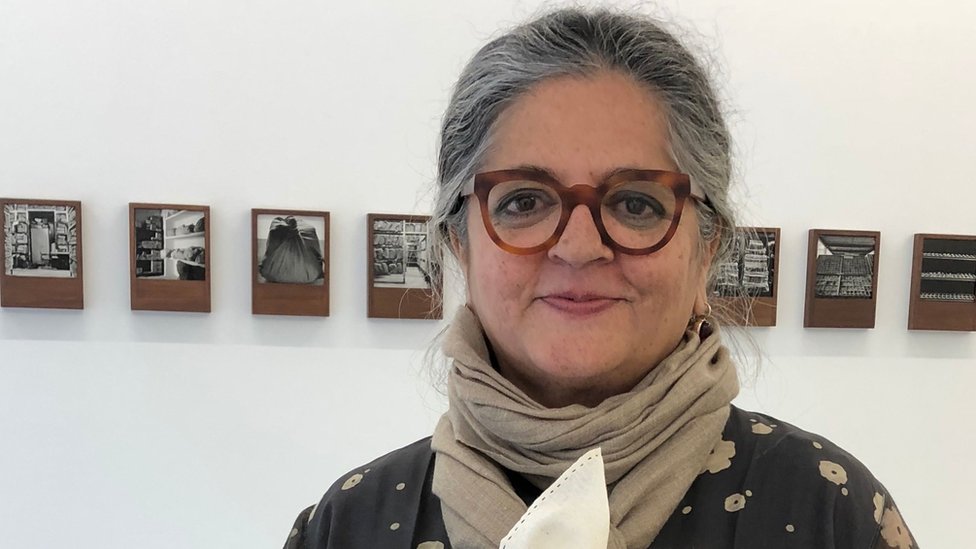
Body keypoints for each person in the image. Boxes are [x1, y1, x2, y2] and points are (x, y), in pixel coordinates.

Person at [284, 8, 916, 549]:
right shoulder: (350, 526)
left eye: (635, 203)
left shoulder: (830, 515)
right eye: (524, 201)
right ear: (461, 248)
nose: (579, 246)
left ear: (705, 252)